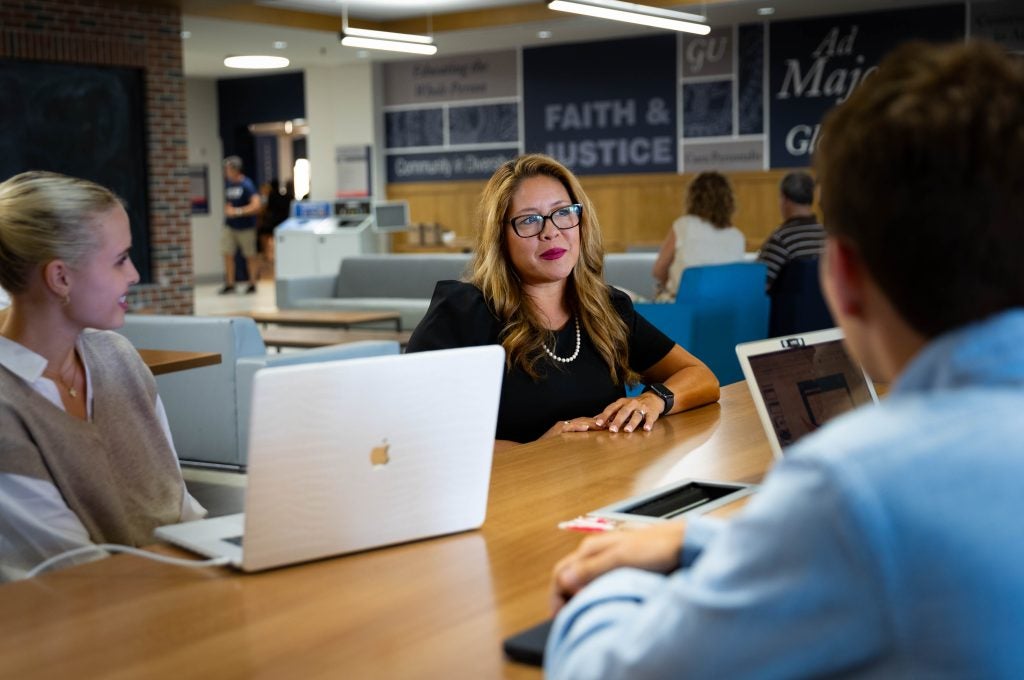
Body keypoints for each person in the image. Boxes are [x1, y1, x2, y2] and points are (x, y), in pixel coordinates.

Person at [546, 40, 1024, 677]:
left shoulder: (855, 486)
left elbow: (610, 670)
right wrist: (702, 542)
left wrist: (605, 586)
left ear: (843, 278)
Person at [406, 154, 720, 450]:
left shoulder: (606, 308)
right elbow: (415, 436)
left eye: (563, 213)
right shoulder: (462, 314)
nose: (551, 232)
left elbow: (702, 377)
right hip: (511, 498)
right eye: (529, 220)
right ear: (499, 237)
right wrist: (537, 451)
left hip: (604, 493)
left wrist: (652, 400)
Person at [0, 171, 206, 581]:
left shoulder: (118, 357)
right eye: (120, 260)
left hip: (176, 590)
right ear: (60, 277)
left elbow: (177, 501)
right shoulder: (7, 407)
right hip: (85, 620)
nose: (133, 274)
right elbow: (73, 570)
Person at [651, 171, 745, 301]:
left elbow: (658, 270)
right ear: (729, 201)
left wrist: (671, 285)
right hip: (724, 310)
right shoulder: (737, 237)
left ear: (693, 198)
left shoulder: (684, 225)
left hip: (684, 308)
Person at [756, 170, 826, 292]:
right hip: (826, 309)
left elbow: (759, 284)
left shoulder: (781, 239)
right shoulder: (828, 236)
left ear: (784, 200)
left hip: (790, 309)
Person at [220, 155, 263, 295]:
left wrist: (238, 211)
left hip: (246, 227)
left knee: (250, 255)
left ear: (235, 169)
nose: (226, 171)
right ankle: (230, 283)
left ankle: (252, 283)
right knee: (227, 253)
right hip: (230, 226)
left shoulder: (247, 185)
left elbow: (256, 205)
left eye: (228, 169)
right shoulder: (228, 184)